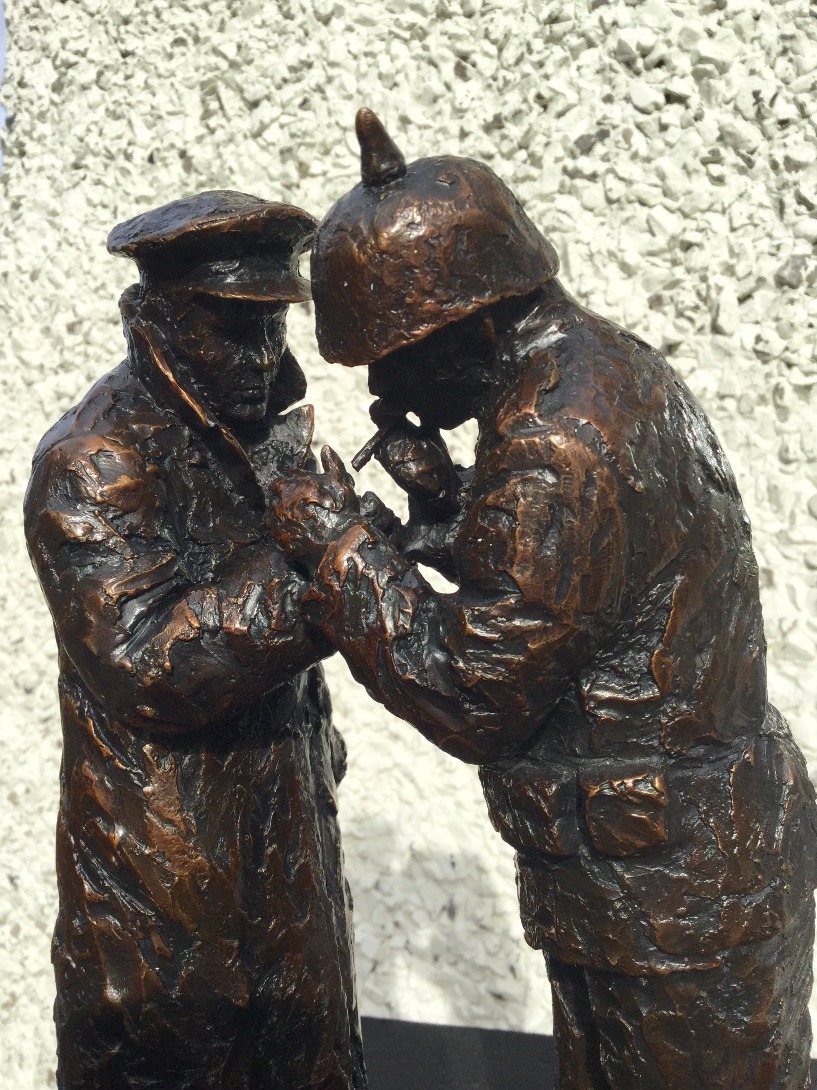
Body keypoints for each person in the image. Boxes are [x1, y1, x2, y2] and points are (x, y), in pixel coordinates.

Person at [266, 111, 817, 1090]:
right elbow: (579, 593)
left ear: (472, 320)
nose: (384, 382)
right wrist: (442, 506)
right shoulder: (594, 372)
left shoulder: (555, 438)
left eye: (397, 354)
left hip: (668, 899)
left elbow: (476, 692)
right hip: (655, 881)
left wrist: (340, 547)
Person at [24, 191, 365, 1090]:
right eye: (229, 330)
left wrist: (386, 536)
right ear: (152, 321)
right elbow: (148, 669)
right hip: (165, 879)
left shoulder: (267, 436)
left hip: (285, 850)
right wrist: (320, 564)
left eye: (271, 330)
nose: (261, 361)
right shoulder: (94, 464)